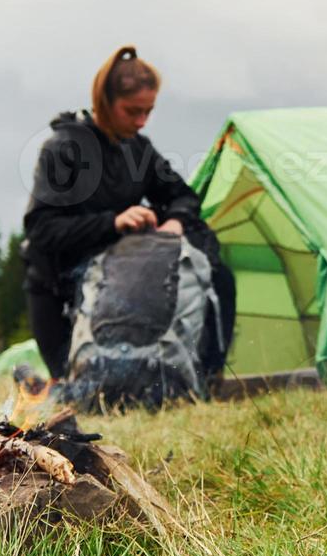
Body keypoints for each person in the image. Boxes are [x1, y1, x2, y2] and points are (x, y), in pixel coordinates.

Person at [22, 45, 235, 380]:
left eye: (148, 111)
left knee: (218, 272)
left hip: (123, 285)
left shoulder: (137, 149)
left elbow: (183, 195)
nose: (141, 121)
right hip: (57, 289)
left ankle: (209, 377)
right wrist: (113, 222)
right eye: (133, 111)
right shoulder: (64, 147)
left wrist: (175, 222)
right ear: (104, 100)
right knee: (77, 389)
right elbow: (42, 230)